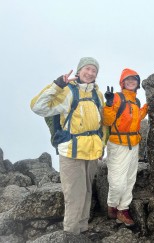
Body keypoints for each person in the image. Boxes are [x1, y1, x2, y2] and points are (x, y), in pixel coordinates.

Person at [30, 57, 106, 234]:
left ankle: (83, 229)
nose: (90, 73)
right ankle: (71, 233)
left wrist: (101, 146)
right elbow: (38, 107)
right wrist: (57, 85)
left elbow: (101, 123)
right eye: (87, 69)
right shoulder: (67, 92)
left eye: (94, 70)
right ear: (79, 71)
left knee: (87, 192)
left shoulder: (97, 94)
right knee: (74, 194)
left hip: (92, 151)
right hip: (71, 151)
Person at [103, 68, 148, 226]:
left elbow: (138, 118)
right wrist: (108, 105)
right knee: (117, 181)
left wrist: (148, 106)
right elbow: (107, 121)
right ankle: (112, 206)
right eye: (127, 79)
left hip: (133, 144)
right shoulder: (116, 98)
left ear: (137, 83)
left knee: (130, 179)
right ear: (122, 82)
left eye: (134, 80)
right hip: (117, 144)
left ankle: (123, 209)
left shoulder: (136, 101)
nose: (131, 82)